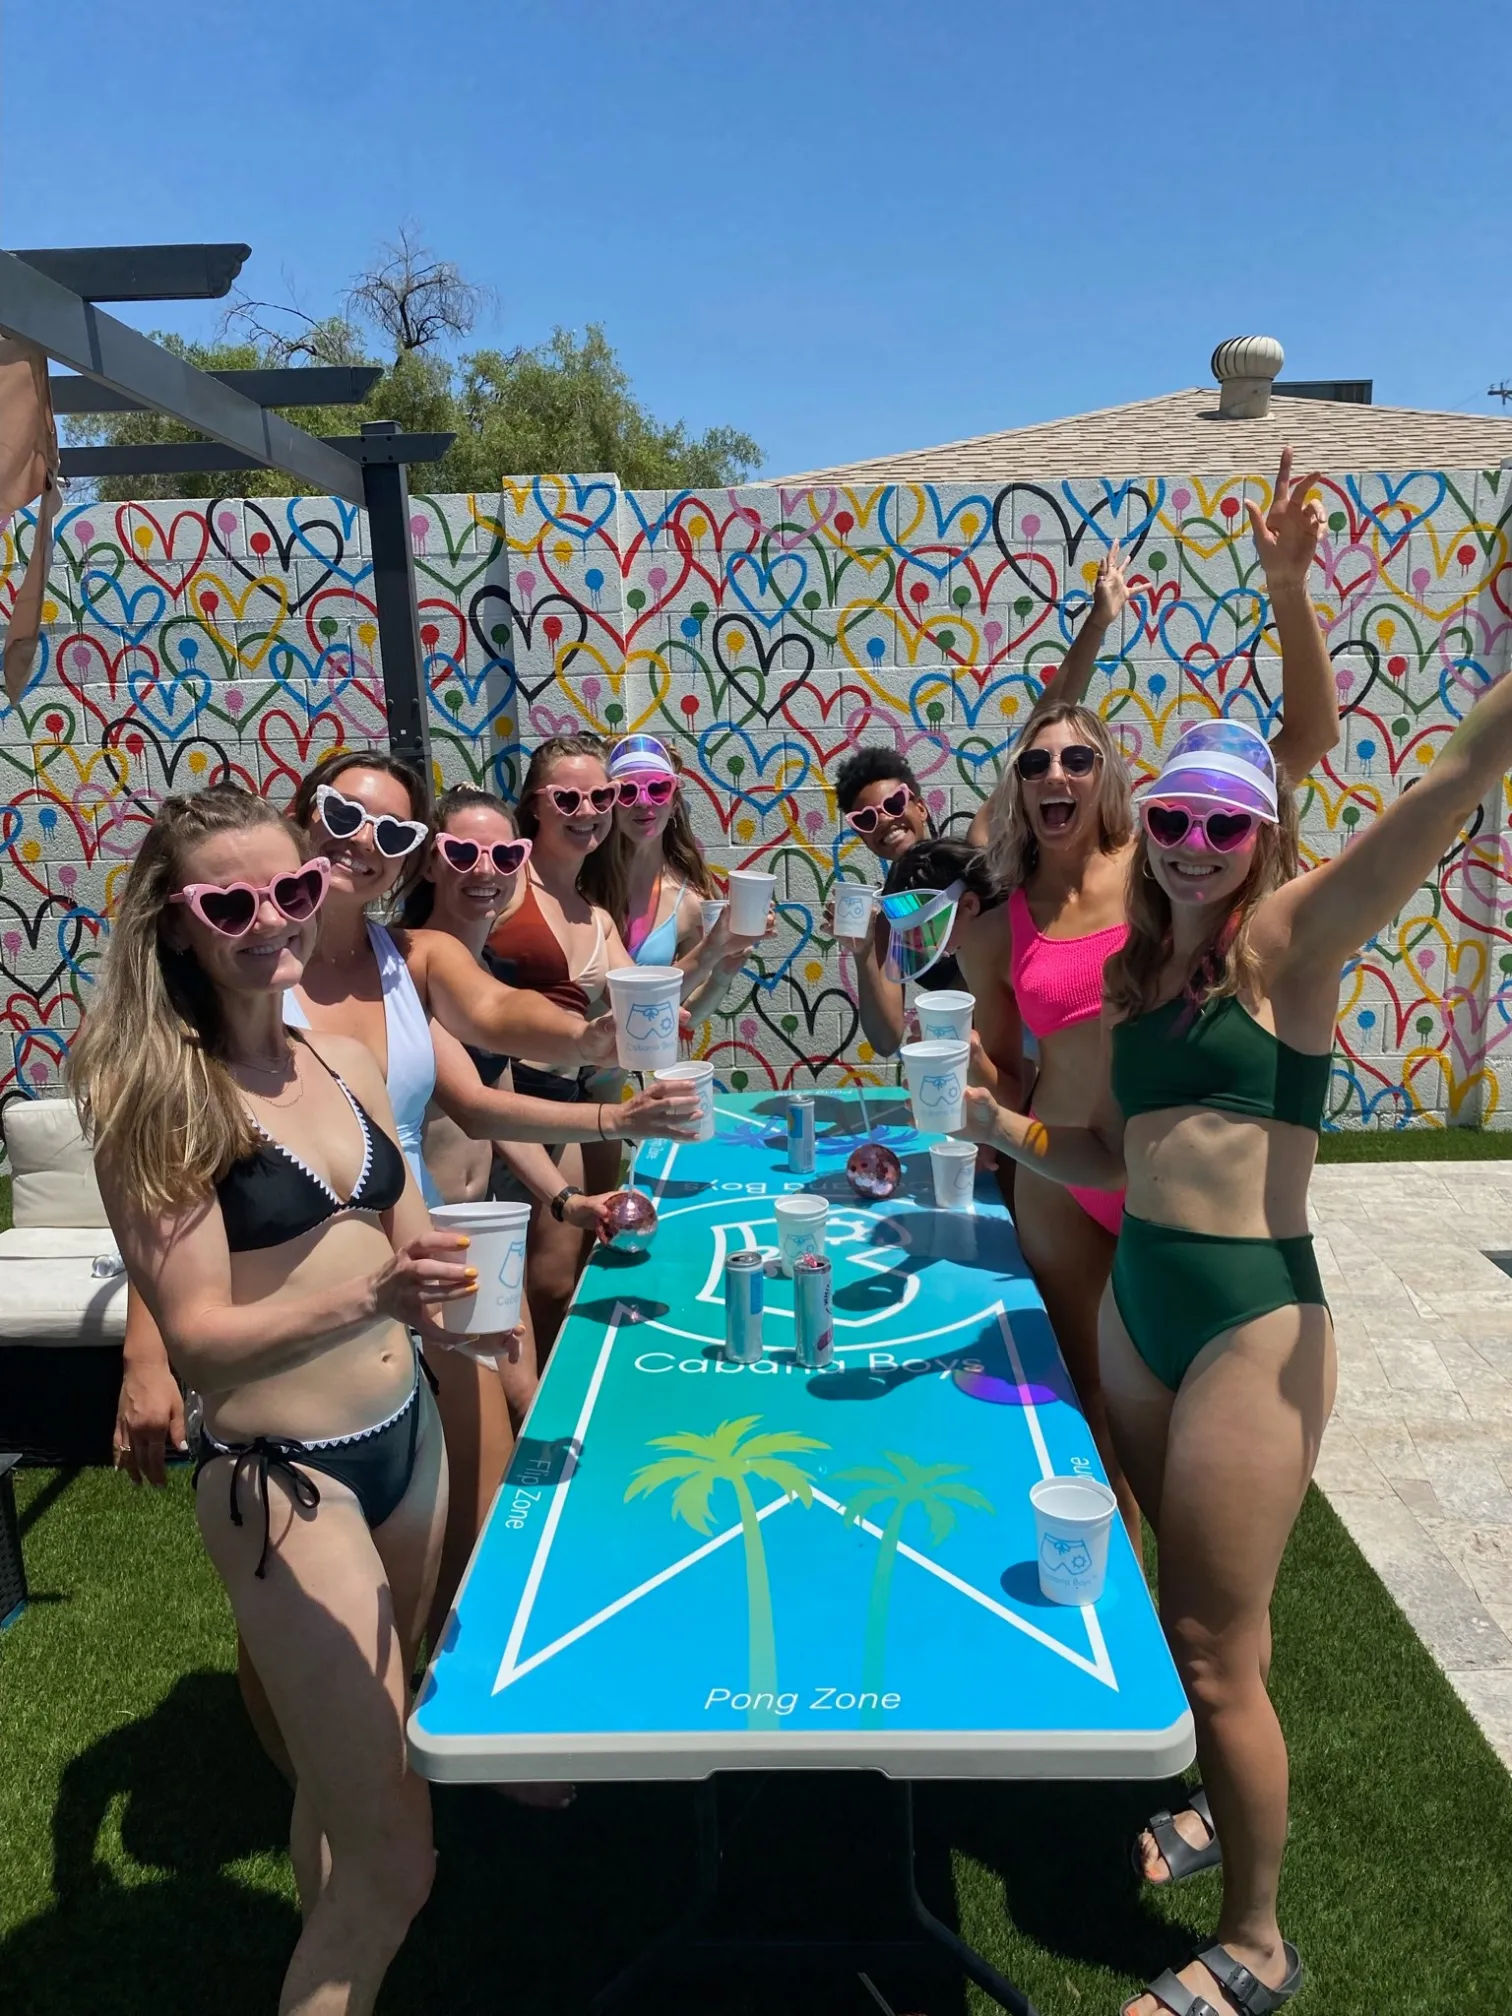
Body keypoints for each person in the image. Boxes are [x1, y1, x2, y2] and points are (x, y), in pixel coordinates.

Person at [955, 672, 1512, 2015]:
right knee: (1179, 1609)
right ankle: (1208, 1801)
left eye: (1225, 825)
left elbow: (1444, 790)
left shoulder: (1291, 942)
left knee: (1215, 1644)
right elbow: (1098, 1144)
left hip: (1252, 1323)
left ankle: (1258, 1943)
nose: (1195, 845)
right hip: (1142, 1300)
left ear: (1263, 836)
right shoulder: (1136, 979)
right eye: (1177, 820)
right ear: (1143, 825)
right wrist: (993, 1123)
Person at [70, 784, 491, 2013]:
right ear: (177, 924)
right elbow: (200, 1340)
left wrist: (484, 1281)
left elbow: (410, 1240)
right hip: (284, 1485)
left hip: (404, 1444)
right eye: (233, 900)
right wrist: (375, 1299)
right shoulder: (159, 1089)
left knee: (341, 1776)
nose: (273, 918)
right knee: (398, 1861)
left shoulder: (345, 1057)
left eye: (293, 888)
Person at [949, 454, 1339, 1540]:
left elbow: (1299, 745)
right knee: (1093, 1414)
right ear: (1017, 788)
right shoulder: (998, 903)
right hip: (1061, 1168)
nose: (1056, 777)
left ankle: (1191, 1603)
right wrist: (972, 1113)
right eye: (1036, 768)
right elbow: (1001, 1060)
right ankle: (1122, 1615)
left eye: (1080, 763)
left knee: (1183, 1412)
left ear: (1110, 780)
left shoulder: (1163, 855)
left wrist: (1287, 591)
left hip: (1169, 1181)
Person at [833, 543, 1130, 1062]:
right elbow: (885, 1042)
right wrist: (860, 954)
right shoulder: (888, 921)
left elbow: (1046, 720)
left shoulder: (983, 849)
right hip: (984, 1066)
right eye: (865, 817)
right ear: (858, 831)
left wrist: (1098, 623)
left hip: (1054, 1041)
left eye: (895, 802)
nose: (885, 820)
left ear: (921, 805)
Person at [481, 733, 644, 1348]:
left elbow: (646, 1007)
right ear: (535, 807)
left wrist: (724, 952)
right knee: (506, 1292)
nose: (588, 812)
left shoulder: (592, 912)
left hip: (564, 1101)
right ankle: (512, 1417)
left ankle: (541, 1415)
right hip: (499, 1095)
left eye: (601, 796)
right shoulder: (505, 882)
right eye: (567, 799)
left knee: (556, 1283)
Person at [585, 732, 762, 1015]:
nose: (644, 802)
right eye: (628, 793)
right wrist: (709, 953)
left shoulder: (687, 901)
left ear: (674, 800)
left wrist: (722, 975)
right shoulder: (580, 888)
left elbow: (685, 1018)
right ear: (609, 802)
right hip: (570, 1057)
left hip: (643, 1059)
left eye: (657, 789)